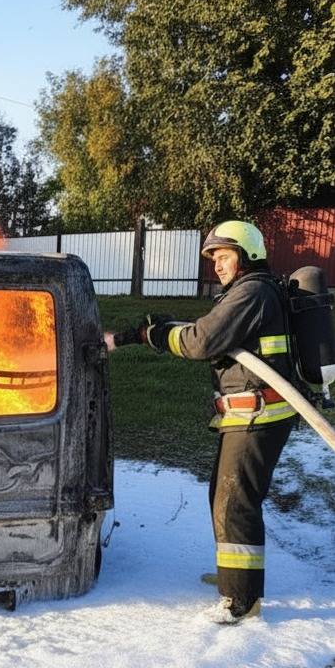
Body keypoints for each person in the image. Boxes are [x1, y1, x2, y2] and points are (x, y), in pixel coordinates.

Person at [107, 220, 296, 624]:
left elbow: (201, 341)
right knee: (223, 496)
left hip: (258, 414)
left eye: (224, 256)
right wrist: (157, 329)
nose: (218, 266)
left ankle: (242, 603)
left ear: (246, 255)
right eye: (214, 259)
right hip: (248, 412)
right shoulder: (249, 292)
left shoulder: (253, 292)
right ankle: (235, 577)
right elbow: (210, 332)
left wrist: (157, 336)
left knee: (235, 503)